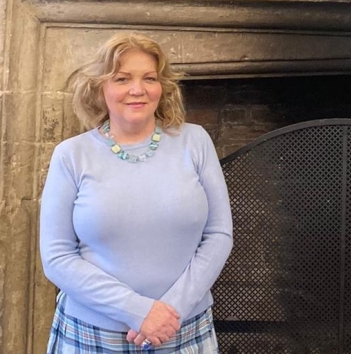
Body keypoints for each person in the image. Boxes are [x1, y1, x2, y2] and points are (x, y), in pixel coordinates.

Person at [40, 32, 234, 353]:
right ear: (101, 87)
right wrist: (138, 311)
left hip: (182, 328)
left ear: (162, 87)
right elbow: (57, 257)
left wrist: (170, 311)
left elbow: (219, 233)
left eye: (149, 78)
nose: (137, 89)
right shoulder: (71, 155)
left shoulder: (196, 142)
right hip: (92, 335)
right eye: (122, 78)